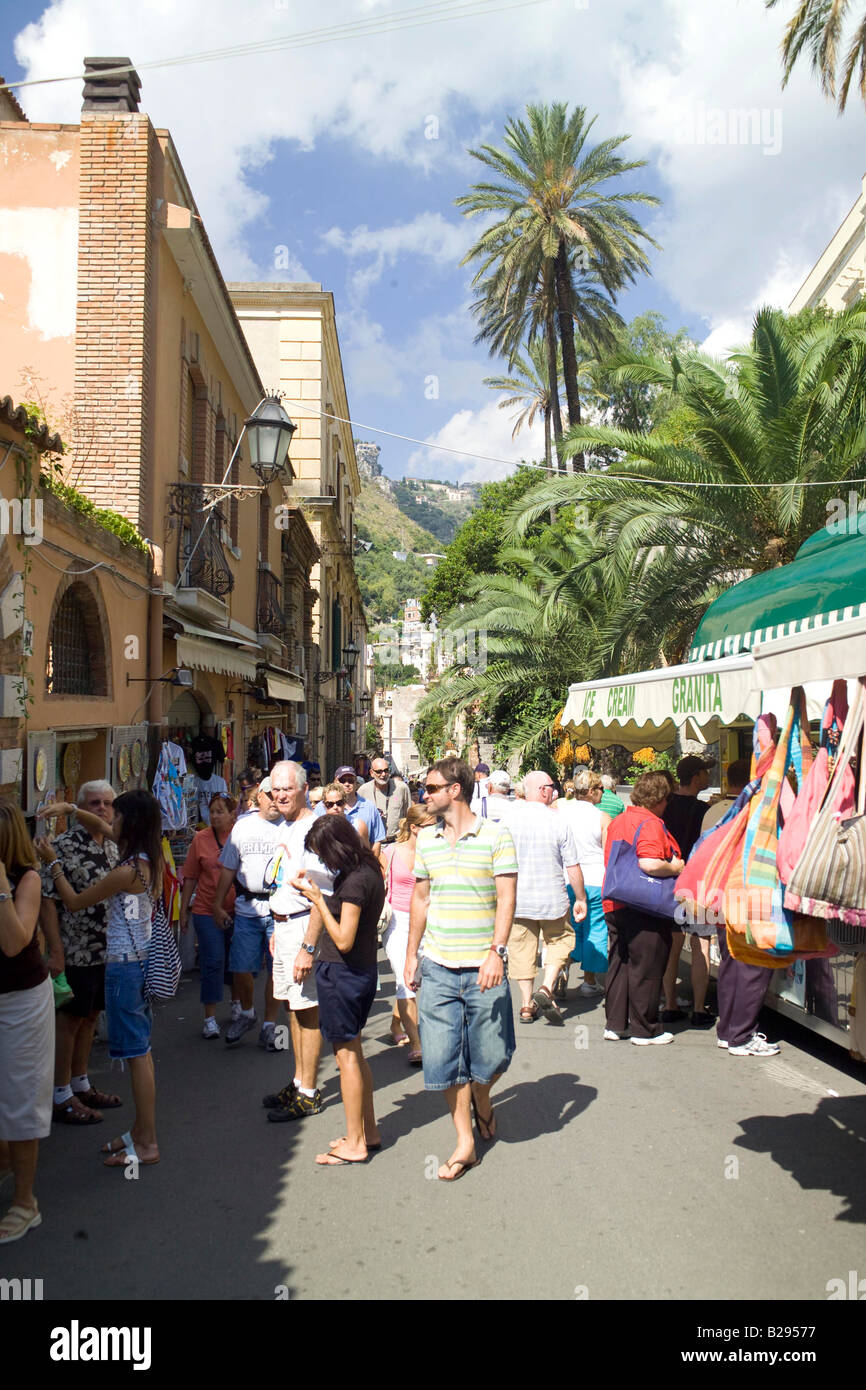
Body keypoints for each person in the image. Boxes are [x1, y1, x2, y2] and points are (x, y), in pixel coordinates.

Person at [35, 789, 165, 1168]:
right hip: (137, 963)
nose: (111, 821)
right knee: (142, 1053)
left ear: (130, 821)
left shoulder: (126, 871)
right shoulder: (146, 857)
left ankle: (147, 1143)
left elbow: (74, 902)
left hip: (124, 968)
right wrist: (71, 809)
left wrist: (53, 863)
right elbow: (99, 826)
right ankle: (140, 1133)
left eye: (117, 815)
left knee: (137, 1056)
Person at [405, 757, 518, 1182]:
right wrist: (412, 953)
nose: (425, 794)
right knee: (443, 1056)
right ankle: (465, 1141)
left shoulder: (495, 836)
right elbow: (420, 899)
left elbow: (507, 898)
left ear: (455, 790)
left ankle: (483, 1102)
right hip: (437, 965)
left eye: (432, 787)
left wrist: (497, 952)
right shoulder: (427, 841)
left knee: (492, 1055)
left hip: (483, 965)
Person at [290, 815, 385, 1165]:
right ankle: (367, 1131)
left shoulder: (356, 880)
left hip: (344, 974)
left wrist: (316, 899)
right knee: (355, 1054)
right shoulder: (366, 870)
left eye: (323, 854)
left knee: (346, 1058)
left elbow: (343, 939)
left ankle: (356, 1142)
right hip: (356, 972)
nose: (322, 862)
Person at [38, 781, 121, 1124]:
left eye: (106, 803)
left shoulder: (116, 845)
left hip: (107, 949)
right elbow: (47, 900)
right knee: (70, 1020)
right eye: (93, 802)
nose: (100, 808)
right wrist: (55, 950)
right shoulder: (62, 846)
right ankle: (60, 1095)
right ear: (81, 807)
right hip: (76, 951)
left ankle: (80, 1083)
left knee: (90, 1018)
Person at [261, 761, 331, 1122]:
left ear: (304, 788)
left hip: (304, 929)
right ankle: (299, 1079)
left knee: (307, 1009)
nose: (280, 795)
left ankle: (309, 1091)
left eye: (287, 788)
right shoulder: (286, 826)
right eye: (275, 789)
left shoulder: (314, 829)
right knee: (293, 1006)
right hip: (285, 927)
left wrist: (307, 946)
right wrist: (276, 929)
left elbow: (321, 894)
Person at [494, 769, 587, 1024]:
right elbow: (572, 865)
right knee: (561, 941)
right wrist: (580, 898)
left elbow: (496, 860)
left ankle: (526, 1004)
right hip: (552, 899)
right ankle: (546, 987)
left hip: (518, 899)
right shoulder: (558, 821)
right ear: (543, 790)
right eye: (551, 786)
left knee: (522, 950)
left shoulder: (509, 820)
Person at [0, 802, 52, 1242]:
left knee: (20, 1096)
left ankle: (25, 1202)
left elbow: (16, 941)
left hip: (19, 1001)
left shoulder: (27, 880)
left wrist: (0, 888)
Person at [602, 771, 683, 1046]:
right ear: (660, 799)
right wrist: (675, 867)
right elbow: (649, 863)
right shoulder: (651, 823)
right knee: (647, 965)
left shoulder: (619, 820)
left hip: (614, 900)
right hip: (643, 904)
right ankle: (645, 1028)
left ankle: (615, 1024)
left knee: (619, 963)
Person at [212, 776, 285, 1048]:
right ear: (260, 796)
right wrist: (218, 904)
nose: (277, 798)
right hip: (247, 909)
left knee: (277, 969)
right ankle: (247, 1013)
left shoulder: (290, 827)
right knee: (240, 967)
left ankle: (270, 1025)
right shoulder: (243, 827)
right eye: (271, 793)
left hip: (280, 911)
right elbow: (228, 868)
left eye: (281, 792)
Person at [661, 754, 715, 1026]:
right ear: (696, 777)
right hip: (698, 884)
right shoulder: (706, 811)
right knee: (700, 945)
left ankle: (669, 1004)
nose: (708, 777)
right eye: (705, 773)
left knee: (671, 946)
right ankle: (698, 1008)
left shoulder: (665, 806)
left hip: (670, 882)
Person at [180, 793, 239, 1038]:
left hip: (238, 910)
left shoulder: (240, 836)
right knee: (213, 961)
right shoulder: (200, 839)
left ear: (232, 814)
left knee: (236, 960)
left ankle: (238, 1003)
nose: (214, 816)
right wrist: (183, 910)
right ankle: (210, 1018)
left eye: (219, 811)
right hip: (206, 910)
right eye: (212, 811)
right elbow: (191, 876)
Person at [381, 804, 436, 1065]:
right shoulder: (390, 852)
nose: (436, 830)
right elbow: (377, 885)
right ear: (414, 828)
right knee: (406, 979)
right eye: (429, 826)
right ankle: (417, 1044)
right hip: (397, 921)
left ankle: (396, 1023)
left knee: (415, 978)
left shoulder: (438, 853)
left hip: (428, 920)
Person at [556, 769, 611, 998]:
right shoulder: (602, 817)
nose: (602, 793)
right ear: (590, 791)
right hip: (596, 879)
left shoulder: (559, 813)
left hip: (567, 879)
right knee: (595, 929)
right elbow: (608, 852)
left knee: (569, 929)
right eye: (600, 789)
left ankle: (562, 968)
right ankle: (589, 981)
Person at [315, 767, 385, 853]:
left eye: (351, 780)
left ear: (356, 782)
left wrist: (371, 864)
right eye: (342, 780)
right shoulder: (320, 807)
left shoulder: (369, 807)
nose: (347, 784)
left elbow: (376, 841)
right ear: (335, 781)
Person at [359, 757, 411, 843]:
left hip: (396, 843)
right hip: (372, 844)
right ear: (371, 773)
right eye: (379, 771)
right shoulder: (363, 791)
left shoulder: (401, 788)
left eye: (386, 770)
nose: (383, 774)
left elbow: (408, 815)